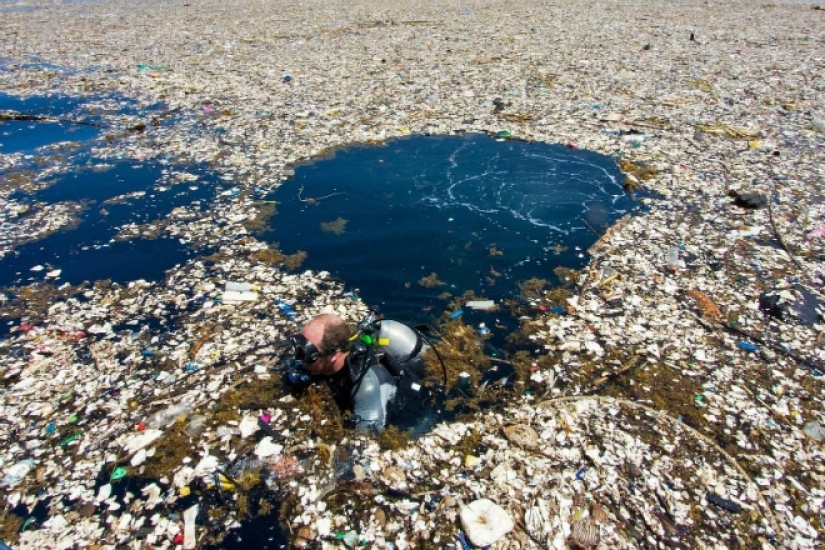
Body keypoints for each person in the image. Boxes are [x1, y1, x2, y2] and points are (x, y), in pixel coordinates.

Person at [290, 313, 426, 432]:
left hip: (406, 407)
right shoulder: (331, 353)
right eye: (298, 349)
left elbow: (368, 436)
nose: (299, 360)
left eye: (309, 356)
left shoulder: (365, 386)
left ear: (333, 356)